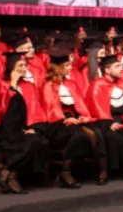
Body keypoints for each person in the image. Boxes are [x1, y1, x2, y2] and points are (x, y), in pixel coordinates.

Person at [40, 52, 108, 186]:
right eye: (66, 65)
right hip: (57, 123)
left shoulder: (71, 84)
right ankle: (66, 172)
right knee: (78, 135)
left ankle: (102, 169)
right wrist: (65, 119)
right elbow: (50, 107)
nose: (71, 68)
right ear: (56, 67)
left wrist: (81, 115)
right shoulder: (48, 86)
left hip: (75, 118)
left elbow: (79, 103)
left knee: (96, 131)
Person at [0, 53, 48, 194]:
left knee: (40, 140)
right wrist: (13, 84)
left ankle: (9, 172)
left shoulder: (28, 85)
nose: (24, 68)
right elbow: (5, 111)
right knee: (30, 142)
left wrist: (32, 127)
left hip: (25, 127)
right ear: (11, 67)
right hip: (7, 129)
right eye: (20, 65)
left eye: (25, 65)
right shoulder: (2, 85)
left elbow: (35, 108)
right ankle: (12, 175)